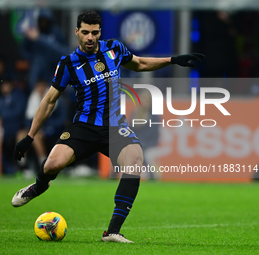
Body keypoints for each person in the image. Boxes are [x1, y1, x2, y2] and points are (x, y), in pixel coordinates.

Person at [11, 10, 204, 243]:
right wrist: (30, 137)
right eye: (85, 32)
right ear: (77, 32)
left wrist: (172, 60)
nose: (90, 37)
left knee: (135, 161)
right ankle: (38, 187)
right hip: (83, 126)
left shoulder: (114, 49)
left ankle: (112, 231)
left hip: (114, 127)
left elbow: (140, 63)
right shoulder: (68, 64)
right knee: (53, 164)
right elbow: (49, 101)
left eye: (94, 32)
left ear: (100, 32)